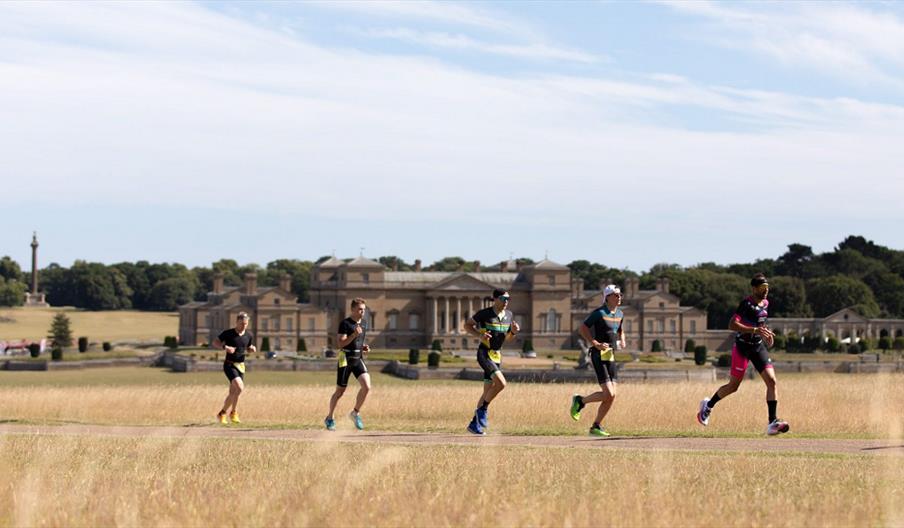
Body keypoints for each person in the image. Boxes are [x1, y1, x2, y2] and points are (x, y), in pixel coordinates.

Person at [696, 273, 790, 435]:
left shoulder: (766, 303)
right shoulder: (746, 304)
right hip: (742, 348)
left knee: (772, 381)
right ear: (754, 289)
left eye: (767, 288)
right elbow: (732, 324)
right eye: (762, 288)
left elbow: (760, 324)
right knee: (733, 386)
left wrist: (766, 334)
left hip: (758, 347)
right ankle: (708, 405)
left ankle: (772, 422)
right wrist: (754, 330)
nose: (765, 291)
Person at [570, 284, 625, 437]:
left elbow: (620, 329)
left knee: (612, 396)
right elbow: (583, 328)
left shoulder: (620, 313)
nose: (619, 297)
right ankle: (580, 401)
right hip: (598, 354)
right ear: (607, 297)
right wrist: (595, 343)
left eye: (620, 295)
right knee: (608, 392)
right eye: (616, 295)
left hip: (610, 355)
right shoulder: (599, 313)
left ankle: (595, 425)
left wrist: (622, 340)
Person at [463, 289, 520, 435]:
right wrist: (479, 336)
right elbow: (467, 326)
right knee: (501, 383)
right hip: (484, 354)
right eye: (503, 298)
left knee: (487, 392)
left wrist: (512, 332)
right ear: (495, 299)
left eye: (508, 299)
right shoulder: (485, 313)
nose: (506, 301)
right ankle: (483, 411)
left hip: (497, 355)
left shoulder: (509, 315)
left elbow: (507, 339)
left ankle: (474, 425)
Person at [325, 298, 371, 431]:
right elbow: (341, 343)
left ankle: (355, 413)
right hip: (345, 358)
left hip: (358, 359)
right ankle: (330, 418)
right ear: (353, 310)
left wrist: (363, 347)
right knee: (340, 392)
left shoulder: (364, 324)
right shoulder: (345, 324)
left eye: (363, 309)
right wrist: (353, 334)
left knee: (367, 387)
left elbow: (356, 342)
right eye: (360, 309)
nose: (362, 312)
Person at [212, 312, 256, 425]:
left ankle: (223, 413)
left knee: (234, 392)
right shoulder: (228, 333)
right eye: (241, 323)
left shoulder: (249, 335)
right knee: (240, 387)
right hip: (229, 364)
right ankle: (233, 412)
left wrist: (251, 349)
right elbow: (215, 343)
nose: (243, 326)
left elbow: (247, 347)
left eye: (246, 324)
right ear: (236, 322)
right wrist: (225, 347)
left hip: (241, 366)